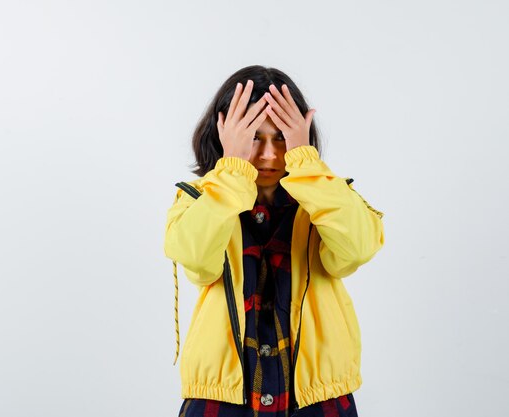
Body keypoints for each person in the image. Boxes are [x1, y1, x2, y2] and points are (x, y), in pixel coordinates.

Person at [163, 65, 385, 417]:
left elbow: (357, 248)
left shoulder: (326, 198)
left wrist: (305, 164)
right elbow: (196, 259)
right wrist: (233, 168)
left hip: (316, 399)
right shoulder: (199, 199)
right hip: (223, 399)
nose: (268, 154)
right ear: (226, 135)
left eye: (282, 136)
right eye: (252, 136)